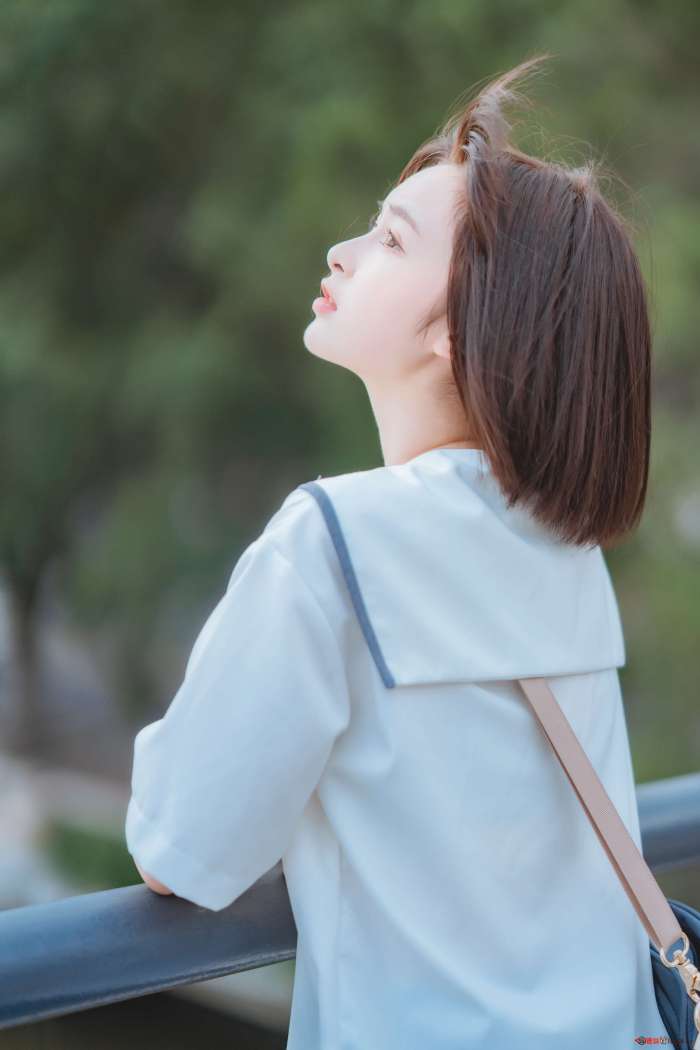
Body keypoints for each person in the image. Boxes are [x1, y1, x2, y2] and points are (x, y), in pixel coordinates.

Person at [125, 54, 671, 1047]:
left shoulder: (329, 543)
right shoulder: (565, 546)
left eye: (388, 239)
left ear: (461, 329)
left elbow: (181, 849)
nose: (341, 252)